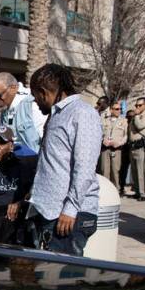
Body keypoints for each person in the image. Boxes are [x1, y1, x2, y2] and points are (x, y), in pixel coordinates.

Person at [27, 63, 102, 256]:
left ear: (43, 92)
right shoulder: (58, 115)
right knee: (49, 276)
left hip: (69, 215)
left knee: (63, 277)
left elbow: (84, 167)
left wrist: (71, 209)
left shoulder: (82, 113)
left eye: (35, 96)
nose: (35, 102)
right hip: (51, 210)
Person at [0, 71, 48, 153]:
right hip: (13, 163)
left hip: (33, 163)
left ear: (13, 88)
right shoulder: (4, 111)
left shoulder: (32, 104)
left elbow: (47, 139)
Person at [127, 96, 145, 200]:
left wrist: (136, 115)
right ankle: (137, 191)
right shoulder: (136, 117)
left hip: (141, 146)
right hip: (133, 146)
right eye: (136, 105)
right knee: (134, 171)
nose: (137, 107)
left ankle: (144, 194)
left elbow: (139, 125)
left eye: (140, 105)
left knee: (141, 171)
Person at [99, 102, 127, 190]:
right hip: (105, 148)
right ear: (111, 110)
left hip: (116, 149)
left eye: (120, 109)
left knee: (115, 170)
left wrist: (119, 143)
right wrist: (103, 140)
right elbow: (99, 133)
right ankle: (105, 190)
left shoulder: (124, 121)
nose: (119, 111)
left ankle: (116, 190)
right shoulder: (104, 120)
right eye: (117, 109)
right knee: (104, 170)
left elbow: (125, 136)